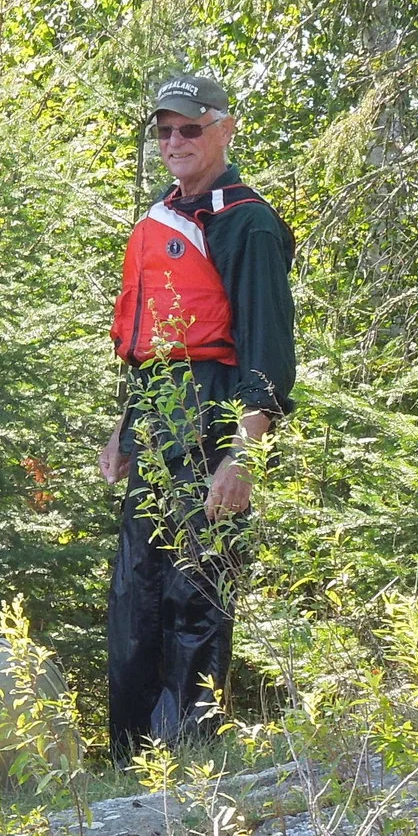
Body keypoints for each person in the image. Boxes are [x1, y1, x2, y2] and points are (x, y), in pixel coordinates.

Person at [98, 73, 297, 755]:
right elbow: (152, 341)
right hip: (156, 422)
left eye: (190, 127)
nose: (175, 141)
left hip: (215, 418)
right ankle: (131, 761)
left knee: (197, 598)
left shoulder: (247, 221)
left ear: (224, 128)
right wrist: (125, 427)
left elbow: (267, 352)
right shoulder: (160, 219)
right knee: (136, 599)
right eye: (165, 130)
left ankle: (187, 759)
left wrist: (243, 455)